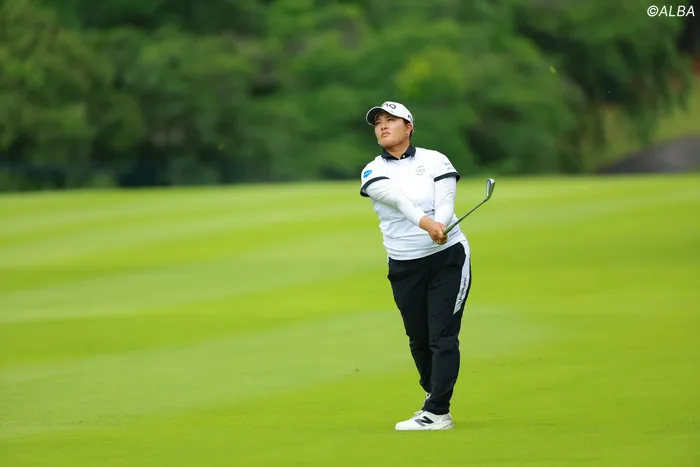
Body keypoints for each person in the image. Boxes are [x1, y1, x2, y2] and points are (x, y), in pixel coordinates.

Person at [359, 101, 472, 431]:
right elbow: (399, 202)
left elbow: (445, 200)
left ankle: (437, 411)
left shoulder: (435, 159)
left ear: (408, 127)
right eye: (378, 122)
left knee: (442, 336)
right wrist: (428, 225)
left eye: (390, 120)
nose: (382, 125)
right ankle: (432, 396)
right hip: (404, 263)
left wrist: (441, 225)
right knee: (419, 339)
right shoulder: (371, 171)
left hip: (448, 258)